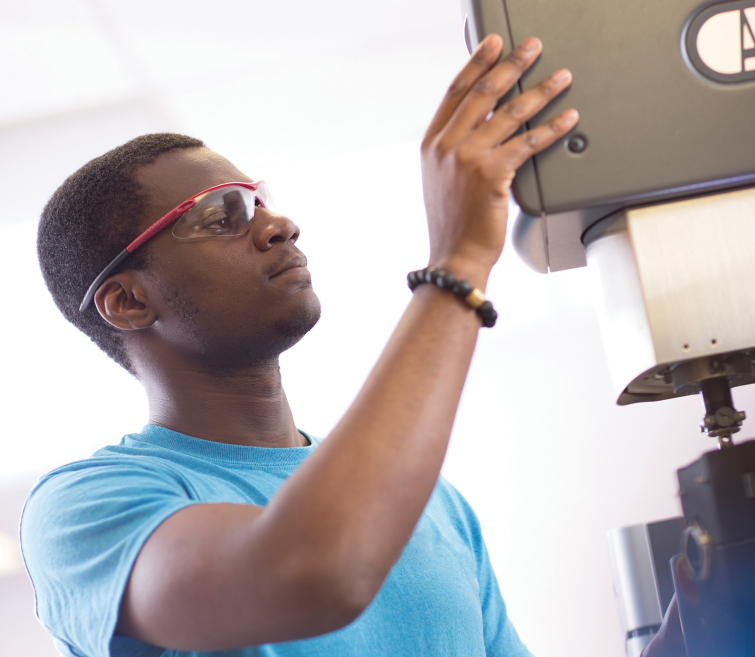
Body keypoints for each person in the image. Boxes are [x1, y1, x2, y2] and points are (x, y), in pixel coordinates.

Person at [21, 33, 683, 657]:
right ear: (128, 301)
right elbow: (310, 572)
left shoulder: (427, 500)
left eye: (260, 201)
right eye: (222, 215)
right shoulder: (86, 508)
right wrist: (454, 265)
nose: (278, 224)